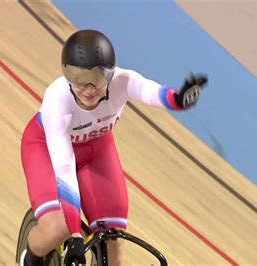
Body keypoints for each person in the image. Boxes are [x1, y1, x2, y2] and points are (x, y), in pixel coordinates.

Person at [20, 29, 207, 266]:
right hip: (46, 150)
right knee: (58, 228)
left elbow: (151, 92)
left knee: (113, 245)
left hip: (96, 151)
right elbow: (64, 168)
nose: (88, 89)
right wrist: (76, 236)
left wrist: (177, 99)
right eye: (78, 79)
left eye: (96, 79)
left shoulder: (122, 81)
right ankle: (31, 257)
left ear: (109, 74)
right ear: (66, 76)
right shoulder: (57, 100)